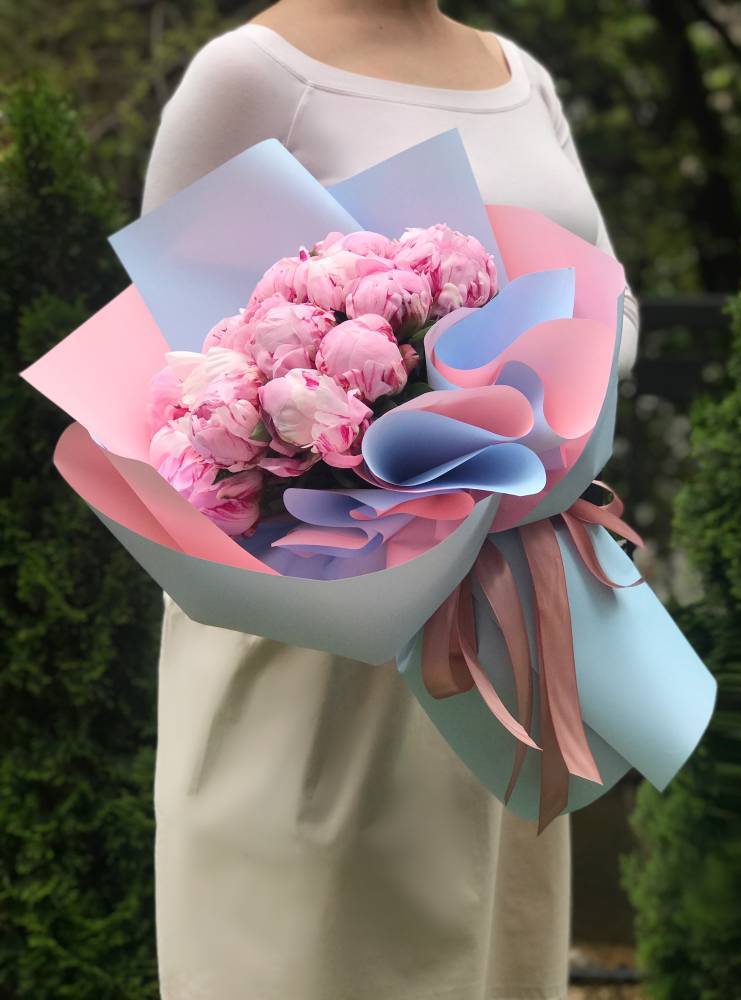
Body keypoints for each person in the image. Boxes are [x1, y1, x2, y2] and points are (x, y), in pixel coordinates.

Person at [141, 2, 640, 998]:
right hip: (320, 635)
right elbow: (175, 376)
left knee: (492, 948)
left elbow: (613, 302)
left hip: (500, 617)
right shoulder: (249, 78)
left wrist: (530, 424)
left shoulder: (520, 76)